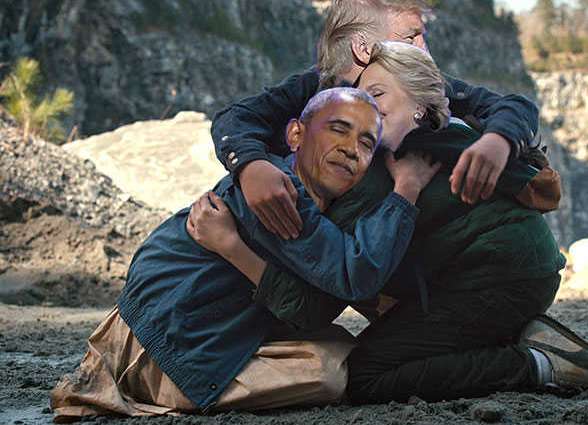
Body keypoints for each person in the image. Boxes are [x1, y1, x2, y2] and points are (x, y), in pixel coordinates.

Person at [192, 40, 588, 404]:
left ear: (420, 107)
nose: (365, 106)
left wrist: (233, 246)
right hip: (494, 275)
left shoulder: (393, 164)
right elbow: (241, 117)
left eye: (378, 95)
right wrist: (250, 163)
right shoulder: (399, 147)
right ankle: (509, 332)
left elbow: (323, 298)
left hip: (506, 281)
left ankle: (541, 364)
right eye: (359, 98)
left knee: (367, 375)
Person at [49, 87, 443, 421]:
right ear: (296, 135)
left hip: (179, 325)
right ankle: (161, 390)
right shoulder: (278, 193)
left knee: (337, 341)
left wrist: (234, 249)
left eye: (366, 143)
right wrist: (406, 189)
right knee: (333, 371)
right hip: (158, 348)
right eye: (338, 129)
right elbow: (355, 275)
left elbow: (314, 309)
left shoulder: (309, 200)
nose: (351, 149)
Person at [211, 0, 543, 241]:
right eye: (411, 38)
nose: (424, 50)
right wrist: (251, 167)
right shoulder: (309, 89)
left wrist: (498, 141)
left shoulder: (416, 82)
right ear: (363, 48)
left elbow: (512, 105)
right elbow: (235, 118)